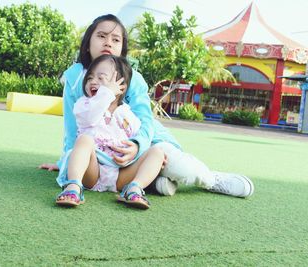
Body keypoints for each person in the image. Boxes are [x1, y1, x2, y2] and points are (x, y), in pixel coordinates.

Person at [39, 14, 254, 198]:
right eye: (101, 36)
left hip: (144, 139)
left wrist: (137, 145)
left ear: (122, 48)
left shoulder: (134, 79)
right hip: (105, 152)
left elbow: (145, 120)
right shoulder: (76, 77)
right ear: (87, 43)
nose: (108, 43)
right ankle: (156, 183)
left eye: (116, 39)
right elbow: (71, 124)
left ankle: (211, 179)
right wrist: (67, 158)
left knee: (179, 167)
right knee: (135, 172)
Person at [55, 54, 165, 209]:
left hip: (120, 173)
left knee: (157, 152)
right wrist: (106, 93)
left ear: (121, 87)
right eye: (90, 78)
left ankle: (134, 188)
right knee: (84, 140)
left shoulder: (126, 113)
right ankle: (74, 186)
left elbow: (137, 138)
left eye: (101, 78)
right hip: (93, 170)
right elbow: (90, 118)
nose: (93, 81)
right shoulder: (84, 105)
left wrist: (138, 151)